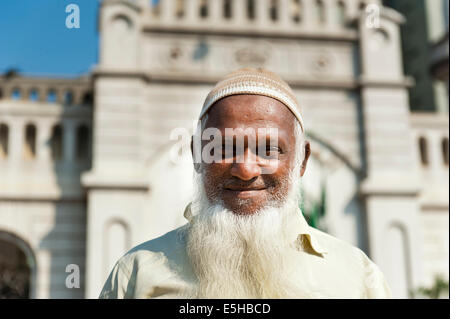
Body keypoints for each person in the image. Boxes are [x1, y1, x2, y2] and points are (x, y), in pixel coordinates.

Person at [99, 68, 392, 299]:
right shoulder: (136, 273)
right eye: (223, 148)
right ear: (197, 155)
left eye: (269, 149)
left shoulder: (358, 275)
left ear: (301, 161)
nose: (246, 169)